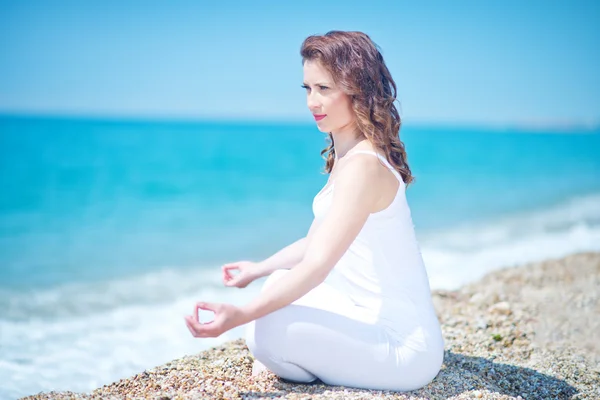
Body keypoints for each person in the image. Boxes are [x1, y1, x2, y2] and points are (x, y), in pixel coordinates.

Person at [184, 30, 445, 392]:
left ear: (358, 89)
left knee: (265, 328)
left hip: (404, 349)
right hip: (365, 314)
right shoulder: (349, 157)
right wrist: (258, 269)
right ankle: (301, 359)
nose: (311, 102)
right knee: (275, 285)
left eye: (324, 89)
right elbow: (314, 242)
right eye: (307, 89)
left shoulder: (364, 167)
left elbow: (318, 266)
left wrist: (240, 315)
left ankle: (296, 364)